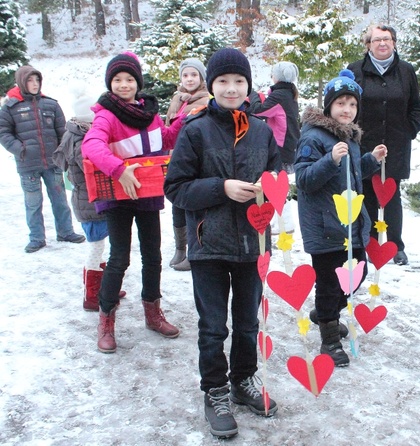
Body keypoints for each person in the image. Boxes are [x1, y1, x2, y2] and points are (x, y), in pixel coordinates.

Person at [164, 48, 281, 439]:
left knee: (248, 323)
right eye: (223, 82)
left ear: (249, 86)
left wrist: (270, 187)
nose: (232, 88)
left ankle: (242, 380)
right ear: (211, 86)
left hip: (253, 244)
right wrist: (222, 188)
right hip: (208, 245)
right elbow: (175, 188)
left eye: (239, 81)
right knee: (214, 326)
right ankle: (214, 390)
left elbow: (278, 176)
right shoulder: (194, 130)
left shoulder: (263, 131)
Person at [82, 52, 184, 353]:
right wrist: (119, 169)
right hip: (118, 198)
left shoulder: (148, 113)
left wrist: (184, 121)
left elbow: (163, 139)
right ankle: (106, 320)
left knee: (153, 256)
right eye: (117, 80)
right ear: (110, 83)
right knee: (119, 258)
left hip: (148, 193)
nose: (124, 85)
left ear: (137, 82)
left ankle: (153, 313)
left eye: (129, 79)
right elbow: (92, 145)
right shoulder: (106, 115)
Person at [295, 69, 387, 367]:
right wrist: (330, 159)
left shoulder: (350, 137)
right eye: (341, 104)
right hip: (324, 227)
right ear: (328, 107)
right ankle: (330, 339)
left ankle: (325, 316)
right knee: (330, 284)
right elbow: (305, 179)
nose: (347, 110)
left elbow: (351, 175)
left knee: (355, 275)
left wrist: (370, 160)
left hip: (351, 224)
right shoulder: (313, 138)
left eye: (352, 104)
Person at [347, 24, 420, 266]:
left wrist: (408, 131)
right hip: (364, 144)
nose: (382, 43)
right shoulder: (355, 70)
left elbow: (416, 107)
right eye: (377, 39)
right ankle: (369, 244)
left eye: (387, 39)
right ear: (368, 44)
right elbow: (345, 105)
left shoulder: (405, 71)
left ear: (394, 42)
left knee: (391, 194)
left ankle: (395, 245)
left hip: (396, 145)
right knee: (368, 193)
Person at [53, 92, 127, 311]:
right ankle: (92, 295)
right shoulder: (82, 138)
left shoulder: (75, 131)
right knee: (96, 248)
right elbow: (94, 167)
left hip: (90, 201)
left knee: (101, 246)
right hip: (90, 203)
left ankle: (105, 287)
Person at [0, 65, 86, 253]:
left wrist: (62, 153)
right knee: (33, 203)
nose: (34, 84)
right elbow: (4, 133)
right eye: (30, 80)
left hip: (52, 164)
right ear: (22, 82)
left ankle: (65, 231)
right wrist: (20, 150)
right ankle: (37, 238)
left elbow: (63, 132)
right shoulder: (10, 107)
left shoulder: (51, 104)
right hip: (28, 165)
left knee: (60, 199)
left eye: (37, 80)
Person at [165, 58, 210, 272]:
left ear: (201, 78)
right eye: (185, 75)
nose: (189, 79)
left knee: (192, 206)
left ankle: (194, 250)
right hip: (176, 158)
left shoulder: (206, 99)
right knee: (176, 205)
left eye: (194, 75)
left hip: (196, 159)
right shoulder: (177, 99)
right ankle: (180, 248)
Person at [247, 61, 300, 173]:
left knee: (276, 184)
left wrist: (252, 95)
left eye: (273, 74)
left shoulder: (280, 95)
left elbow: (257, 111)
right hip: (288, 147)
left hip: (280, 150)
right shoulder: (289, 93)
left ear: (278, 76)